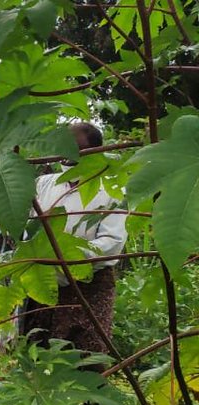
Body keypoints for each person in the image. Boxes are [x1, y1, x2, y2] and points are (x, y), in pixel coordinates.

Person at [23, 122, 126, 363]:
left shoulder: (111, 190)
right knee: (39, 351)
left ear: (94, 152)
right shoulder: (45, 184)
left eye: (75, 149)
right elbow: (29, 227)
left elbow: (112, 241)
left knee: (87, 356)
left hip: (90, 283)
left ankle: (89, 401)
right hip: (45, 279)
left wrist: (69, 257)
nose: (66, 156)